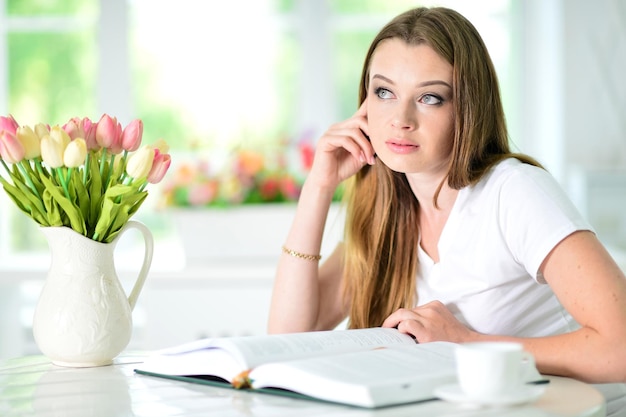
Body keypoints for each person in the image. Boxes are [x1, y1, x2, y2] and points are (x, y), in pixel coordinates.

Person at [267, 6, 626, 415]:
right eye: (384, 92)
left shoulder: (514, 192)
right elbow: (286, 341)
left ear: (467, 109)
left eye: (429, 98)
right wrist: (318, 187)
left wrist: (467, 343)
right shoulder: (387, 209)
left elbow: (620, 348)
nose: (400, 119)